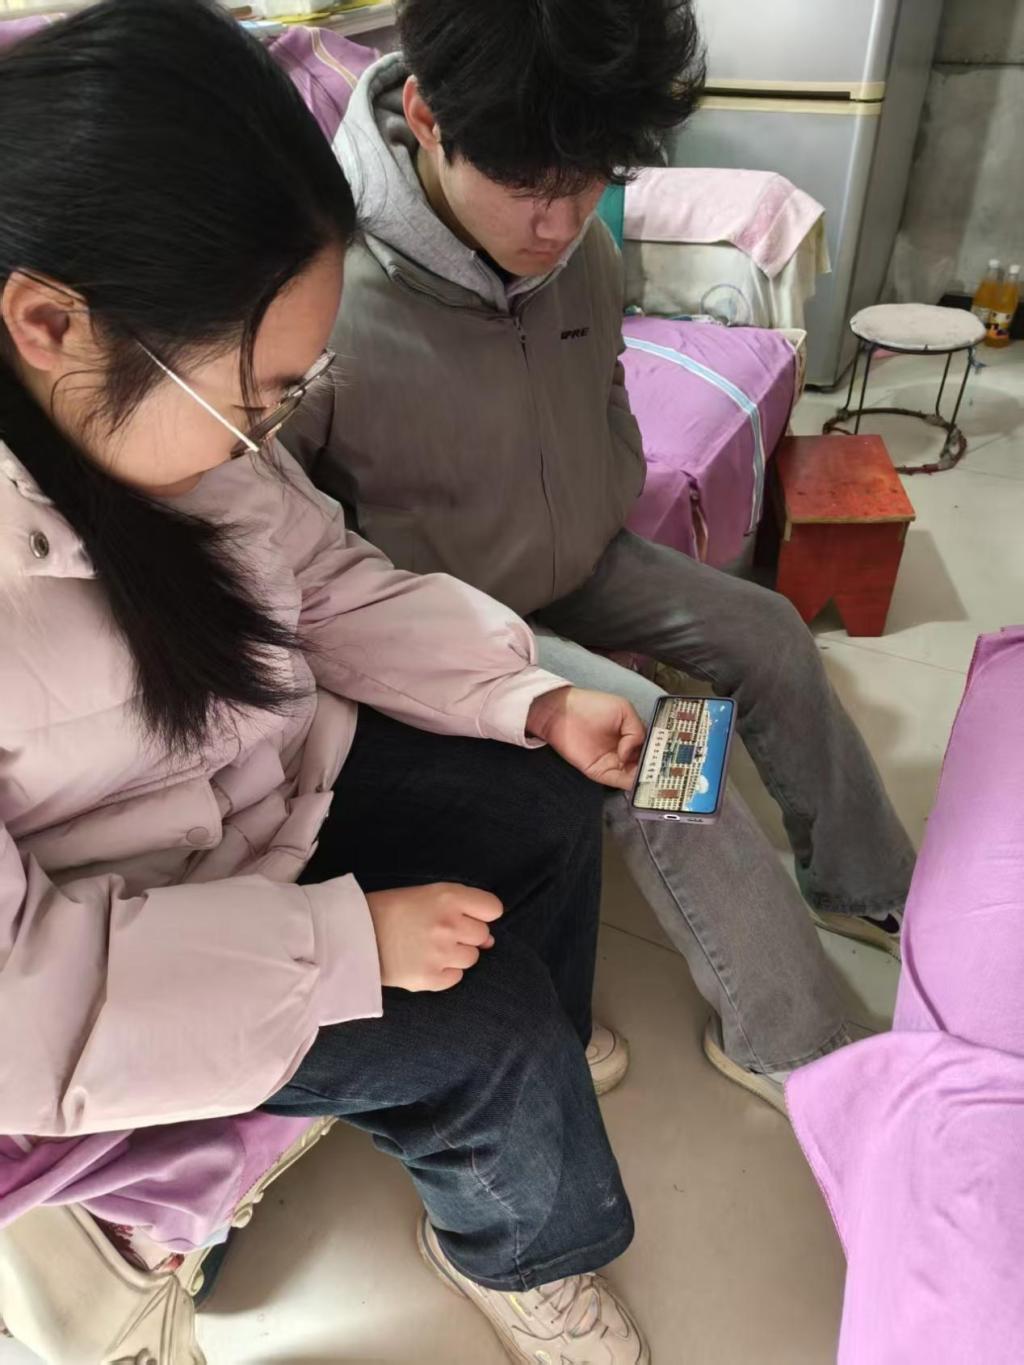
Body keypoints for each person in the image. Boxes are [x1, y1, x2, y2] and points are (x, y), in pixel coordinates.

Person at [0, 4, 652, 1362]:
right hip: (140, 941)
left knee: (545, 798)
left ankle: (527, 1057)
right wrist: (346, 946)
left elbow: (336, 586)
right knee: (484, 1029)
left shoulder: (186, 445)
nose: (266, 436)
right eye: (258, 397)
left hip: (257, 798)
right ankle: (520, 1246)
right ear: (51, 323)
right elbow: (28, 1002)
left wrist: (528, 698)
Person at [299, 0, 918, 1107]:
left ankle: (862, 879)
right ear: (428, 116)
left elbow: (607, 394)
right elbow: (286, 548)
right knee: (668, 745)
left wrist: (600, 490)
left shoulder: (581, 247)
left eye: (591, 182)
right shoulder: (321, 289)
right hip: (446, 620)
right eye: (530, 186)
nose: (561, 222)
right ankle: (796, 1042)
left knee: (770, 629)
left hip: (582, 557)